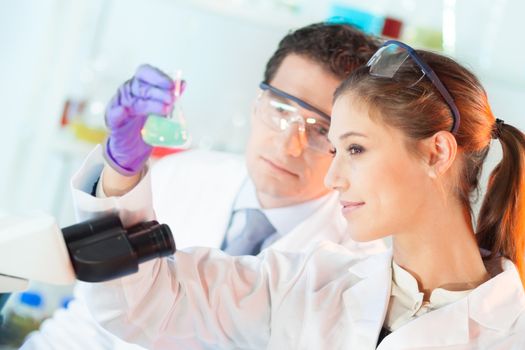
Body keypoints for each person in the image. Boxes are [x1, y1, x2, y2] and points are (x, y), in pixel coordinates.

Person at [77, 40, 525, 349]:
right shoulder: (308, 282)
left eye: (355, 148)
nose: (332, 178)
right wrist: (121, 169)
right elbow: (145, 302)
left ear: (437, 153)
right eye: (335, 150)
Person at [22, 23, 386, 349]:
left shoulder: (356, 264)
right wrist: (120, 174)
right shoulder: (181, 174)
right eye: (280, 110)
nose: (287, 144)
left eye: (321, 129)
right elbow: (87, 323)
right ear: (256, 101)